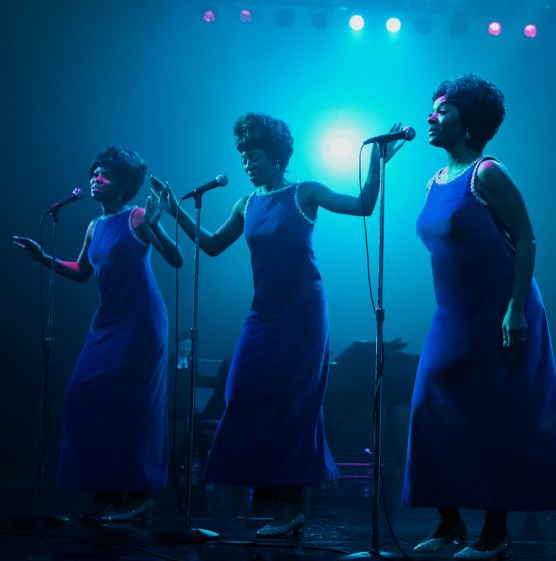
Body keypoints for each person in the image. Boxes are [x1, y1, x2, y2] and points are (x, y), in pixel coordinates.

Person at [153, 113, 404, 537]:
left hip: (303, 312)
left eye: (255, 155)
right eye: (244, 156)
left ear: (276, 156)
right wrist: (175, 210)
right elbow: (212, 245)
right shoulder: (246, 203)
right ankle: (268, 494)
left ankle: (290, 505)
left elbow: (363, 205)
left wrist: (379, 162)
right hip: (263, 314)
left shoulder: (304, 192)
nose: (247, 163)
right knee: (240, 392)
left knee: (294, 403)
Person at [402, 74, 556, 561]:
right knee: (431, 410)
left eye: (443, 111)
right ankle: (449, 521)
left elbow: (527, 238)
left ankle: (495, 532)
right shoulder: (433, 180)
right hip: (452, 316)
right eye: (431, 109)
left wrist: (516, 308)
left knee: (498, 419)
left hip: (501, 313)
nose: (431, 117)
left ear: (468, 121)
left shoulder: (487, 173)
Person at [13, 147, 183, 522]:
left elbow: (177, 259)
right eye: (94, 173)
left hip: (141, 322)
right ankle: (106, 492)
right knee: (82, 394)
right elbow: (81, 270)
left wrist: (155, 224)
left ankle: (139, 494)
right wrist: (43, 257)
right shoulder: (94, 226)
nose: (96, 178)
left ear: (122, 184)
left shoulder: (138, 217)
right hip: (107, 323)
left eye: (105, 174)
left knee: (132, 404)